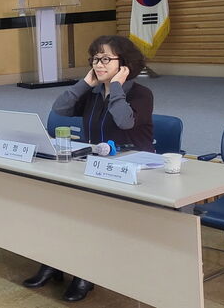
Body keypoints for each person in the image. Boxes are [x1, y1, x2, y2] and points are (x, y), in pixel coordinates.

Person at [22, 35, 154, 302]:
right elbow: (60, 108)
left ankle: (85, 273)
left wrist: (116, 88)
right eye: (95, 59)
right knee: (55, 203)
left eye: (106, 59)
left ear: (124, 64)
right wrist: (84, 84)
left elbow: (125, 122)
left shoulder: (141, 94)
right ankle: (53, 262)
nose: (99, 64)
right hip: (95, 165)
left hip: (132, 170)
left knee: (87, 211)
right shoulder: (93, 93)